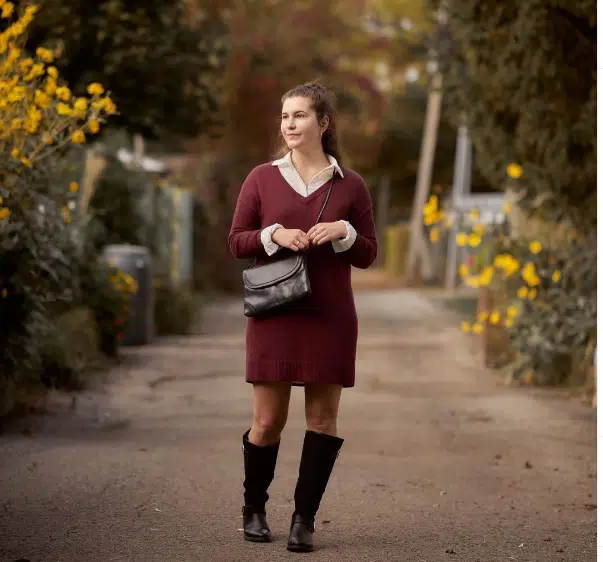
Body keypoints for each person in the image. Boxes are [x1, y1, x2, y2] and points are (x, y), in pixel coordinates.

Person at [228, 81, 378, 553]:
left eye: (300, 116)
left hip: (330, 316)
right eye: (285, 116)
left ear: (323, 123)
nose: (289, 124)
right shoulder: (261, 178)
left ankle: (303, 521)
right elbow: (237, 241)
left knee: (321, 419)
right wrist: (275, 234)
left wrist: (344, 232)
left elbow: (369, 254)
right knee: (268, 422)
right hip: (275, 314)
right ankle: (254, 509)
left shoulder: (350, 185)